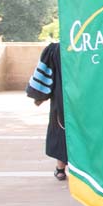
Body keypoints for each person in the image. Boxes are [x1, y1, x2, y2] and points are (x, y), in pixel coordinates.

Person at [25, 41, 67, 180]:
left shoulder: (56, 49)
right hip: (88, 100)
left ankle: (60, 169)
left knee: (62, 131)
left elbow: (45, 72)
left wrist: (39, 96)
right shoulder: (91, 46)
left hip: (63, 99)